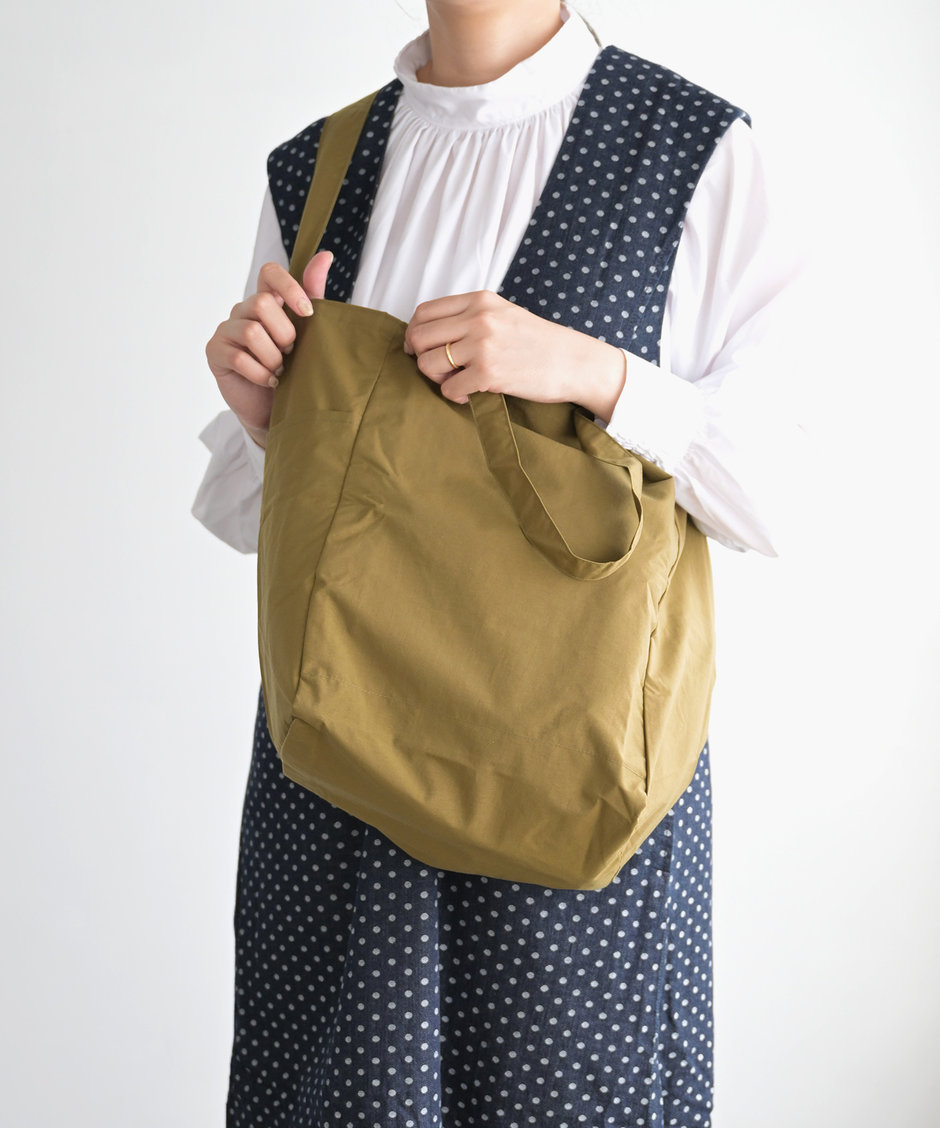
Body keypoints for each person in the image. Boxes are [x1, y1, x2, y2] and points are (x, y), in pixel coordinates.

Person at [194, 1, 800, 1123]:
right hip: (338, 786)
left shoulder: (690, 152)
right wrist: (266, 415)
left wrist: (597, 375)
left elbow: (784, 488)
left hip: (570, 798)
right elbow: (257, 520)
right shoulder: (314, 169)